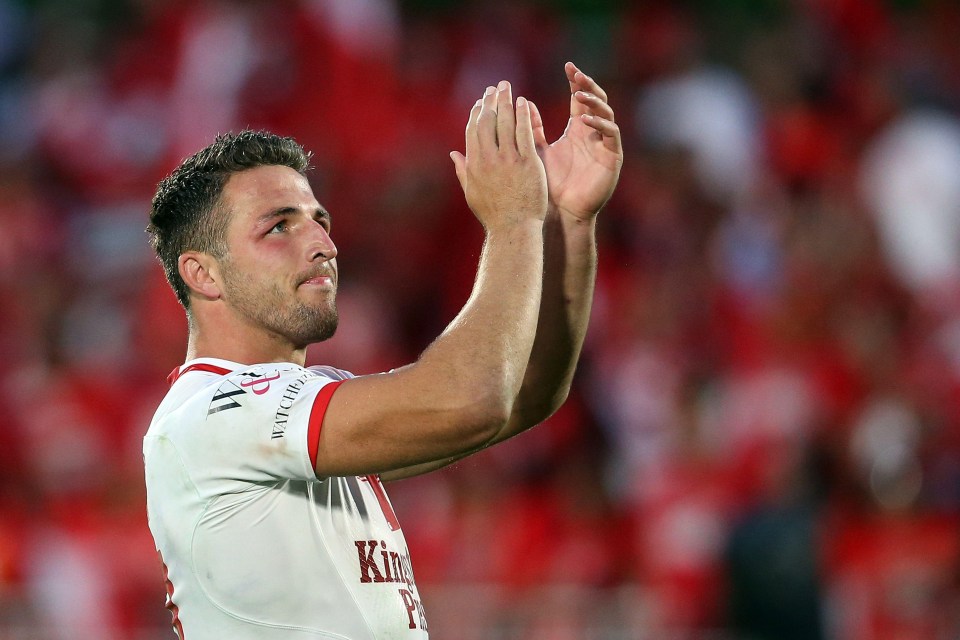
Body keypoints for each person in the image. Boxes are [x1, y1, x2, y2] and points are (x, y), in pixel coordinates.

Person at [143, 61, 622, 639]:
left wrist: (565, 219)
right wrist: (512, 217)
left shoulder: (297, 408)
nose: (323, 243)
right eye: (279, 227)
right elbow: (474, 399)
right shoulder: (211, 413)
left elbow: (523, 396)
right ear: (204, 274)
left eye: (320, 221)